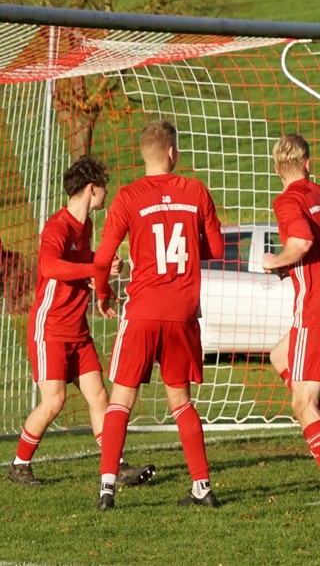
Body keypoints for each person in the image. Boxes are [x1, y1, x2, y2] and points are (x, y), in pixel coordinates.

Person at [92, 120, 224, 510]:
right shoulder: (195, 190)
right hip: (182, 312)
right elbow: (217, 249)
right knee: (180, 401)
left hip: (143, 310)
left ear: (144, 154)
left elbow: (103, 257)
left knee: (121, 400)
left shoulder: (129, 196)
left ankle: (107, 488)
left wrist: (103, 292)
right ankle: (202, 486)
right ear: (172, 152)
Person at [7, 156, 154, 488]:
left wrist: (102, 275)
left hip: (77, 328)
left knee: (99, 396)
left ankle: (116, 466)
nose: (107, 192)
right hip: (50, 328)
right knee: (54, 401)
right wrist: (95, 267)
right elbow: (50, 267)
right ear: (92, 188)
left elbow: (83, 262)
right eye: (104, 186)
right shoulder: (58, 227)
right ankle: (19, 464)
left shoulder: (85, 226)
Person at [260, 133, 320, 505]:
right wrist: (291, 268)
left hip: (317, 306)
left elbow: (300, 244)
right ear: (307, 163)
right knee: (279, 356)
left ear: (277, 168)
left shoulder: (288, 199)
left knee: (302, 404)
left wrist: (275, 260)